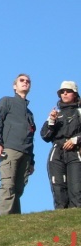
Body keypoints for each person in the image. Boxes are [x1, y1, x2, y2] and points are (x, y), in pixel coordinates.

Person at [0, 74, 36, 215]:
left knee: (19, 188)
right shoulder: (7, 101)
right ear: (14, 86)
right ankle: (4, 219)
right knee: (8, 184)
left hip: (26, 153)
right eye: (21, 80)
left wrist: (32, 161)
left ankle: (15, 220)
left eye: (28, 81)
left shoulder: (29, 113)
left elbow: (31, 136)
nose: (25, 82)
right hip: (9, 149)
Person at [40, 81, 81, 209]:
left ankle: (76, 218)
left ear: (75, 94)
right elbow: (45, 136)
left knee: (76, 188)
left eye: (68, 91)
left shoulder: (79, 112)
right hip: (57, 152)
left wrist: (76, 140)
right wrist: (51, 121)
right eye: (62, 92)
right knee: (58, 188)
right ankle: (61, 217)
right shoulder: (56, 113)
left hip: (76, 153)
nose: (65, 93)